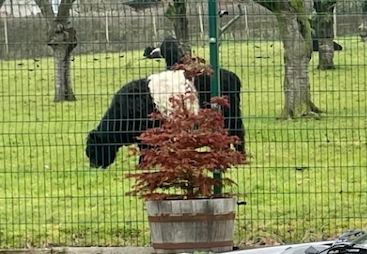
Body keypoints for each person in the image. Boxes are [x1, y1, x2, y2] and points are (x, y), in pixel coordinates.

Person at [85, 38, 246, 168]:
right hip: (170, 88)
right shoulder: (123, 100)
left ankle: (239, 152)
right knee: (229, 117)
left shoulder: (123, 104)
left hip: (186, 90)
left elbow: (149, 133)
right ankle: (237, 152)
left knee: (229, 116)